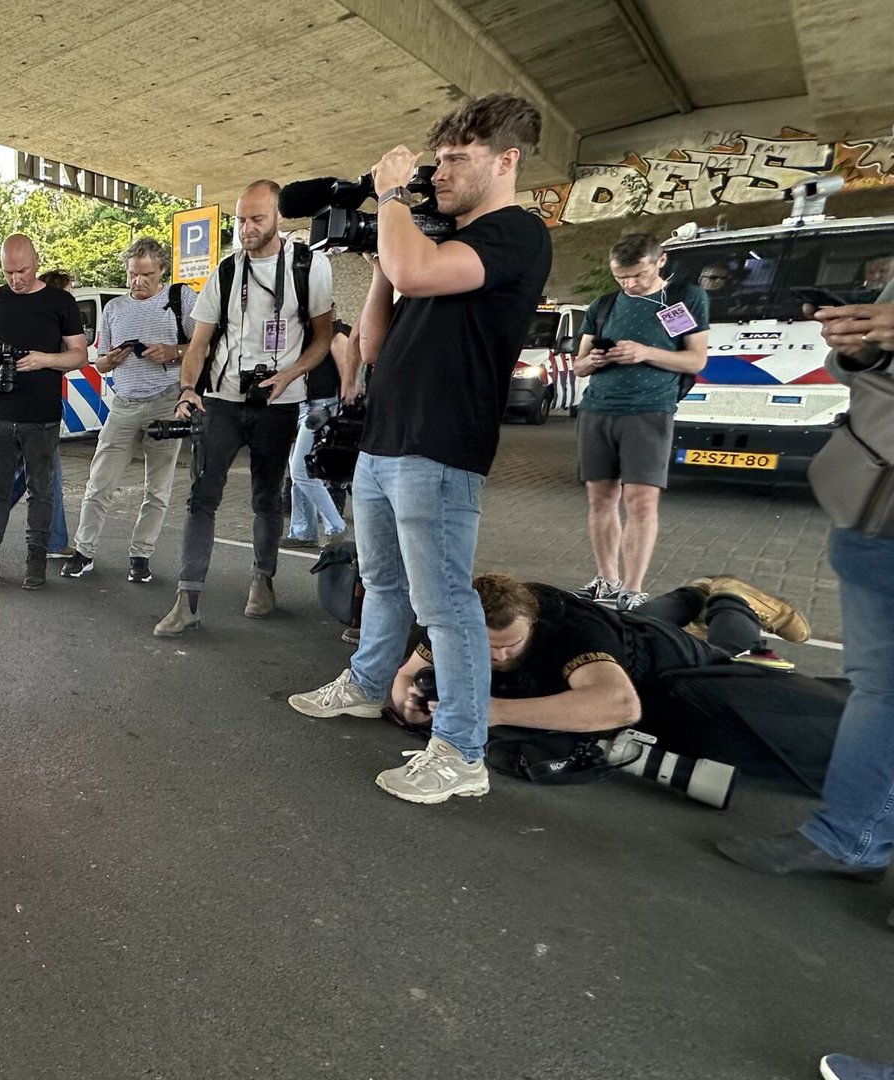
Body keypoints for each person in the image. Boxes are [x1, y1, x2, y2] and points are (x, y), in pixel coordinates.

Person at [288, 94, 553, 805]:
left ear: (507, 160)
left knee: (444, 603)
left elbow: (419, 274)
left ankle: (462, 751)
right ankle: (370, 684)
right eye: (438, 161)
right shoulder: (433, 245)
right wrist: (384, 248)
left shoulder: (515, 234)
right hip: (386, 436)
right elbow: (374, 341)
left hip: (439, 445)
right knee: (382, 577)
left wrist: (394, 199)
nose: (441, 173)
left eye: (458, 160)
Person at [716, 286, 894, 909]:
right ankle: (853, 837)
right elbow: (869, 377)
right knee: (878, 686)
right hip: (874, 499)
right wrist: (861, 350)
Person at [153, 180, 334, 635]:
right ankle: (187, 600)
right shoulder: (227, 271)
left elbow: (324, 337)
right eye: (239, 219)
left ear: (279, 219)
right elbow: (199, 342)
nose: (246, 228)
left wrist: (290, 375)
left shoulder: (310, 267)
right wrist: (188, 389)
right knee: (201, 498)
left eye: (256, 219)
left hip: (279, 401)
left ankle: (263, 580)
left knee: (267, 497)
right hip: (222, 400)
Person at [387, 572, 808, 737]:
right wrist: (407, 705)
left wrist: (492, 710)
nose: (497, 658)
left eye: (508, 647)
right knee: (639, 619)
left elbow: (619, 705)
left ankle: (732, 596)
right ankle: (697, 590)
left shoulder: (570, 631)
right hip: (623, 630)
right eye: (485, 648)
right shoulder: (453, 619)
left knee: (728, 653)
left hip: (661, 660)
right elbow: (409, 673)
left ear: (532, 624)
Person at [571, 233, 709, 610]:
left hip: (649, 410)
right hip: (598, 409)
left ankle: (632, 588)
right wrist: (592, 362)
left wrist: (644, 352)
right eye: (622, 277)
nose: (630, 284)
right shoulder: (603, 305)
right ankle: (606, 580)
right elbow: (578, 364)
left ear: (659, 261)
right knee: (600, 500)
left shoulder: (681, 300)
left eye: (638, 275)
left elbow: (695, 361)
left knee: (641, 502)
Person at [62, 236, 192, 584]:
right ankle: (84, 551)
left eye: (146, 274)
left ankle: (141, 555)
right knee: (99, 482)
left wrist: (173, 352)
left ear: (162, 270)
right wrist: (109, 360)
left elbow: (202, 347)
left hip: (166, 399)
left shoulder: (180, 300)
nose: (138, 282)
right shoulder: (114, 309)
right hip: (123, 403)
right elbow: (101, 363)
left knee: (157, 488)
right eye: (133, 274)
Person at [0, 234, 88, 589]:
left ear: (36, 261)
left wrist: (43, 360)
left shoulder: (60, 302)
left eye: (21, 270)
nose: (15, 279)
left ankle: (36, 557)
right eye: (8, 272)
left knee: (41, 490)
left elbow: (79, 354)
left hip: (42, 414)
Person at [283, 317, 352, 548]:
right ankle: (303, 531)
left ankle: (336, 526)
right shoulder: (299, 333)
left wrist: (343, 412)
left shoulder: (334, 332)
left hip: (323, 407)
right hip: (301, 403)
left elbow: (347, 373)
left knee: (300, 469)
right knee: (298, 470)